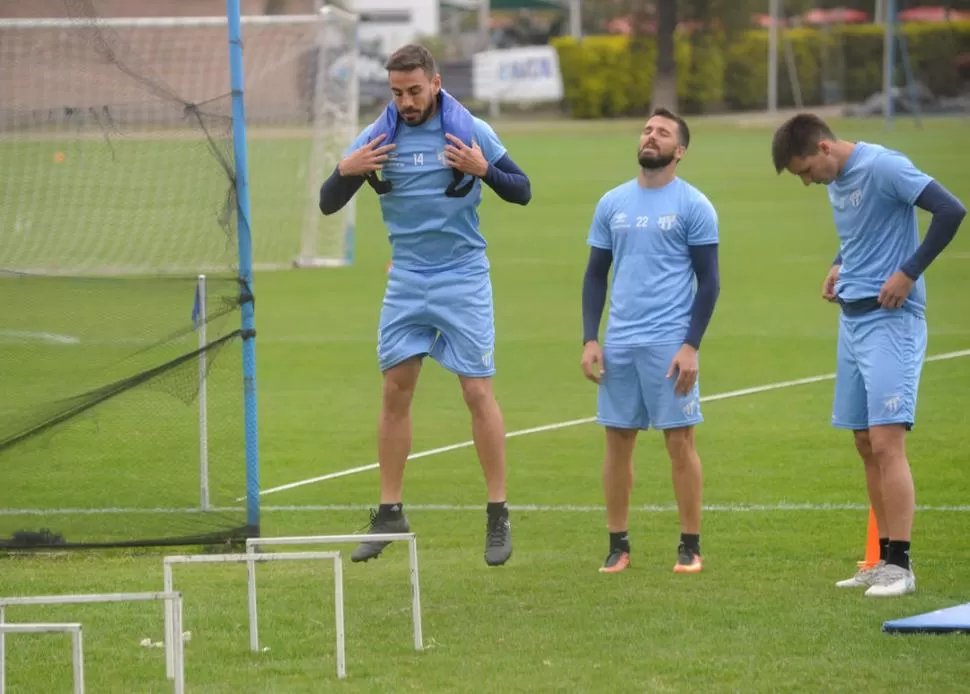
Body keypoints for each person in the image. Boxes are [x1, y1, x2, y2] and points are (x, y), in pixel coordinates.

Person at [318, 44, 531, 567]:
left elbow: (522, 190)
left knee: (477, 391)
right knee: (395, 390)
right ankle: (390, 512)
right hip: (407, 278)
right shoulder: (379, 134)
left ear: (435, 84)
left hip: (462, 276)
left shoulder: (470, 128)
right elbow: (328, 202)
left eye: (414, 90)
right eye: (397, 93)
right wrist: (347, 169)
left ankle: (497, 512)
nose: (406, 102)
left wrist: (484, 169)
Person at [771, 113, 966, 597]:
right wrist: (839, 264)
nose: (806, 182)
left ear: (823, 148)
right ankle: (880, 560)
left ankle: (900, 566)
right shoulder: (837, 177)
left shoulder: (885, 167)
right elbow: (861, 228)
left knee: (886, 443)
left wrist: (909, 271)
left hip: (890, 322)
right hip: (852, 320)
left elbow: (951, 210)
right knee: (864, 443)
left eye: (804, 171)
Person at [581, 107, 721, 575]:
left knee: (680, 443)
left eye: (662, 133)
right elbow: (595, 275)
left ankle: (690, 545)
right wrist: (590, 338)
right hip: (619, 342)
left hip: (668, 344)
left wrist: (690, 345)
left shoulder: (694, 206)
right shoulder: (612, 203)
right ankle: (618, 545)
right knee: (617, 443)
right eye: (646, 129)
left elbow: (710, 282)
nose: (651, 136)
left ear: (679, 151)